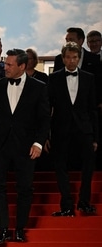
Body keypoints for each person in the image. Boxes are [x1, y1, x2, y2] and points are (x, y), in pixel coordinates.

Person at [0, 49, 51, 245]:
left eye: (9, 65)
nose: (4, 67)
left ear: (22, 66)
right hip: (0, 145)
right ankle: (3, 229)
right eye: (5, 63)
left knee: (25, 188)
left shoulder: (39, 87)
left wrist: (39, 143)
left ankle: (20, 229)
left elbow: (44, 119)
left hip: (26, 146)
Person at [48, 42, 98, 217]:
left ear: (79, 58)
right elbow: (48, 109)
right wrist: (47, 135)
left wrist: (95, 137)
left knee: (89, 166)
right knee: (60, 166)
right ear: (63, 58)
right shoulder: (53, 79)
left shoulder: (88, 78)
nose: (71, 61)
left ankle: (84, 203)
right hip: (61, 128)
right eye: (68, 57)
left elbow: (92, 110)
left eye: (75, 57)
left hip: (84, 129)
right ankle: (67, 206)